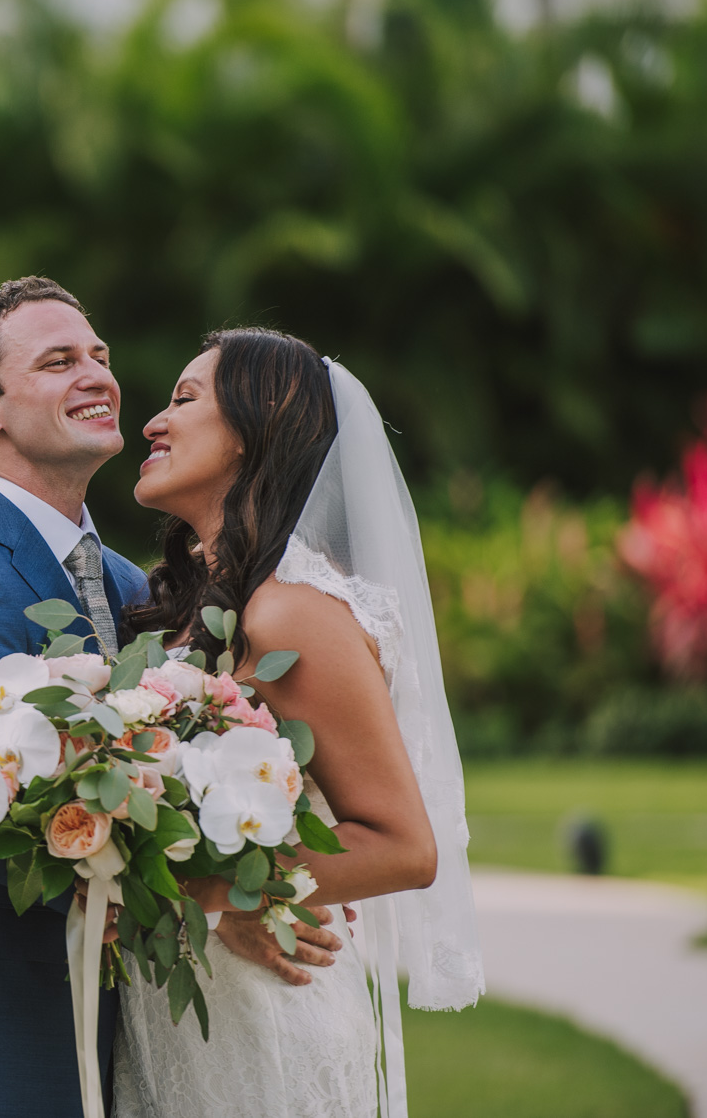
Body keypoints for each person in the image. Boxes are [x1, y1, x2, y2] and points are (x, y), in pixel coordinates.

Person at [0, 285, 346, 1118]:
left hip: (107, 1027)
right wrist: (214, 906)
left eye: (100, 355)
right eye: (58, 360)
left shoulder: (126, 581)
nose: (98, 374)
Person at [114, 328, 485, 1118]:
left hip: (264, 1014)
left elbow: (403, 846)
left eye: (184, 400)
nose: (152, 421)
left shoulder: (289, 612)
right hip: (196, 1006)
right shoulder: (203, 607)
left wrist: (217, 895)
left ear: (259, 425)